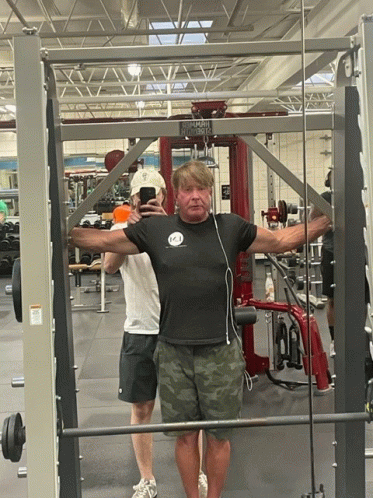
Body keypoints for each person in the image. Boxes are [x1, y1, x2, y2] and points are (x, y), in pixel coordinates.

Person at [71, 160, 331, 498]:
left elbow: (282, 240)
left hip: (220, 352)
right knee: (184, 435)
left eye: (202, 189)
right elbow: (101, 242)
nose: (196, 196)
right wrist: (58, 228)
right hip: (174, 352)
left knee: (219, 435)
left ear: (210, 193)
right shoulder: (154, 231)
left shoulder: (231, 227)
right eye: (188, 190)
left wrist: (330, 218)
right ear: (176, 197)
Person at [104, 168, 207, 498]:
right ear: (133, 198)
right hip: (139, 331)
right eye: (142, 195)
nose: (148, 199)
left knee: (190, 410)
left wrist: (162, 227)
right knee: (142, 409)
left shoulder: (180, 227)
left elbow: (195, 263)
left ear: (164, 197)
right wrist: (132, 232)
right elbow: (108, 266)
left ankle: (199, 473)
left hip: (178, 330)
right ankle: (146, 479)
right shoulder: (121, 228)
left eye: (155, 194)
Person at [310, 170, 335, 357]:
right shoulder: (325, 197)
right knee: (332, 300)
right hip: (331, 252)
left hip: (359, 253)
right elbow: (313, 219)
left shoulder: (357, 194)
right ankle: (334, 341)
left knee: (363, 299)